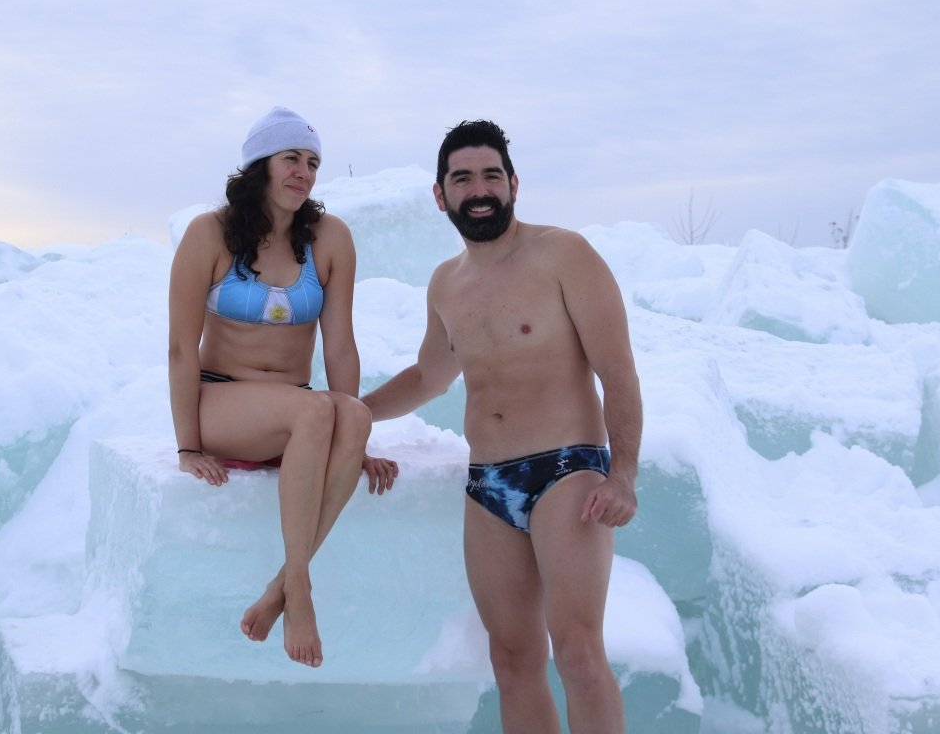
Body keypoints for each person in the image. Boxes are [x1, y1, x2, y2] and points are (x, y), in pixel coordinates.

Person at [361, 120, 642, 733]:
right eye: (462, 178)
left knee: (577, 652)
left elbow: (617, 372)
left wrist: (622, 475)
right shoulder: (445, 283)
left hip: (567, 472)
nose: (479, 188)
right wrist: (354, 412)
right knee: (513, 660)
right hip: (488, 485)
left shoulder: (563, 254)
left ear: (513, 183)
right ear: (441, 195)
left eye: (491, 175)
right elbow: (429, 378)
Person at [168, 107, 399, 669]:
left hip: (294, 409)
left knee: (353, 415)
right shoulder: (210, 234)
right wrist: (188, 447)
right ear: (259, 165)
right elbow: (179, 347)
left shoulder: (329, 238)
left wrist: (355, 442)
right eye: (291, 158)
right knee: (319, 412)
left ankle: (279, 587)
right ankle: (300, 592)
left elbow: (340, 346)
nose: (304, 172)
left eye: (313, 162)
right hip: (221, 400)